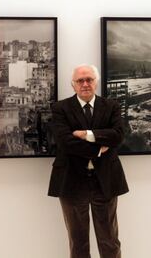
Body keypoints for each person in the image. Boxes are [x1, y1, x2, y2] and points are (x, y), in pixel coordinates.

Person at [48, 64, 129, 258]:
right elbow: (65, 142)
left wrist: (88, 134)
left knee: (109, 240)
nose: (85, 84)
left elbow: (118, 136)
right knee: (78, 242)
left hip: (105, 180)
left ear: (96, 82)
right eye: (80, 81)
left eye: (89, 80)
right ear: (73, 85)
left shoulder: (111, 106)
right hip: (72, 180)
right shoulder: (60, 108)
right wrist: (99, 148)